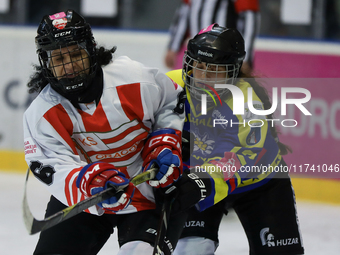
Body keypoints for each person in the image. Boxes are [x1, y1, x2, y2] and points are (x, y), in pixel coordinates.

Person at [23, 9, 189, 255]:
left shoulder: (134, 78)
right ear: (46, 63)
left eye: (75, 54)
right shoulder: (42, 115)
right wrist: (90, 182)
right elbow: (55, 167)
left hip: (148, 191)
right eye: (58, 59)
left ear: (91, 51)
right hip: (87, 197)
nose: (68, 66)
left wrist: (164, 142)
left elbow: (171, 103)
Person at [166, 24, 305, 255]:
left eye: (214, 70)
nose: (203, 77)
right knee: (190, 251)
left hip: (258, 184)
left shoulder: (247, 103)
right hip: (199, 179)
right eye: (198, 67)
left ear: (233, 71)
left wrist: (199, 181)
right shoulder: (169, 86)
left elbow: (241, 160)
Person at [164, 0, 260, 75]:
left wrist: (245, 58)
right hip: (199, 52)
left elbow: (249, 18)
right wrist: (173, 47)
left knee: (226, 91)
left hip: (225, 54)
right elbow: (184, 14)